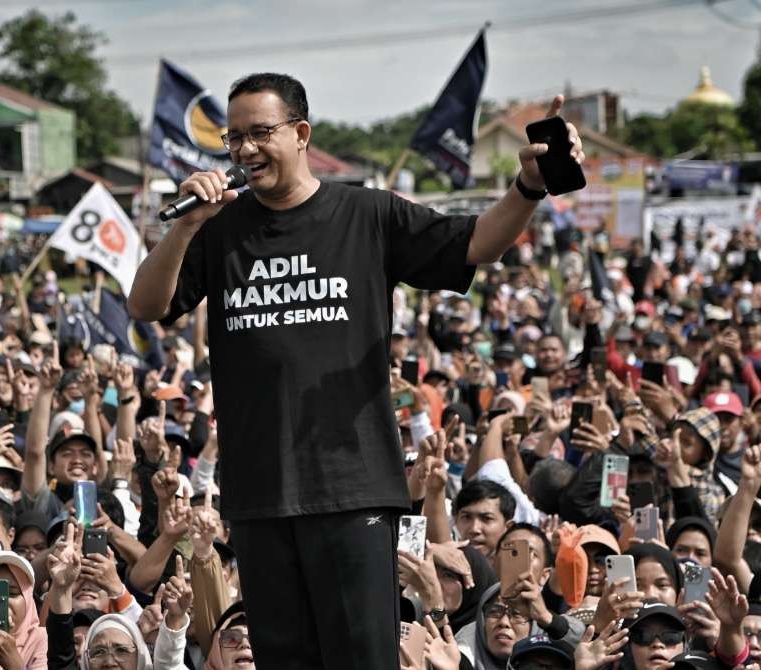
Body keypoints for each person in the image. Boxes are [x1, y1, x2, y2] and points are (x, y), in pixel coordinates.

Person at [129, 71, 583, 666]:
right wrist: (186, 225)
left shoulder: (367, 214)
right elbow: (145, 305)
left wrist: (526, 186)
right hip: (259, 495)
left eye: (259, 132)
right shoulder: (218, 230)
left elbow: (479, 244)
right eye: (232, 138)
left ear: (300, 133)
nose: (243, 149)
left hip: (353, 492)